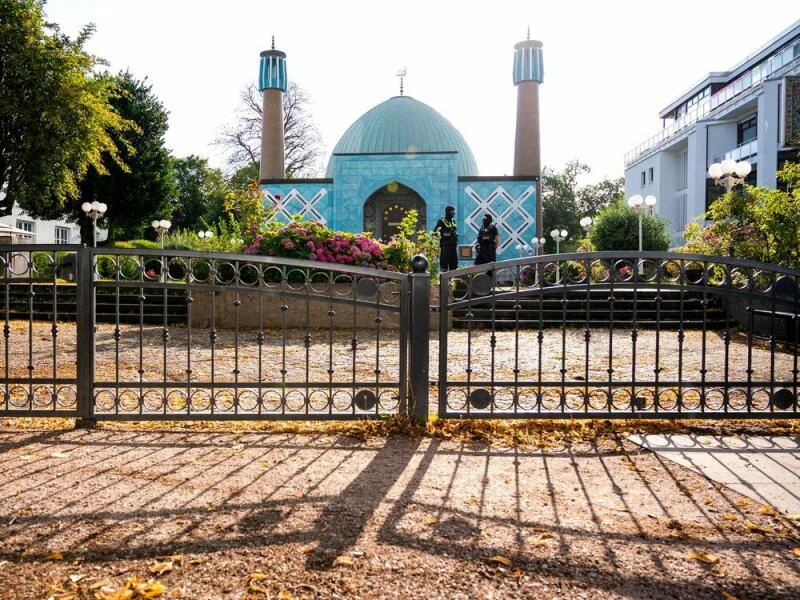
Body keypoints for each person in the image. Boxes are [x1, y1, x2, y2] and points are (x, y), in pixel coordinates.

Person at [434, 205, 459, 271]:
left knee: (454, 265)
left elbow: (454, 231)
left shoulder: (453, 221)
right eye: (452, 212)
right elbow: (435, 233)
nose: (453, 214)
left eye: (454, 212)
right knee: (444, 265)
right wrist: (445, 234)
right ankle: (443, 280)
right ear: (447, 212)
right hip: (445, 246)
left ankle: (453, 280)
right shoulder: (441, 221)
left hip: (453, 246)